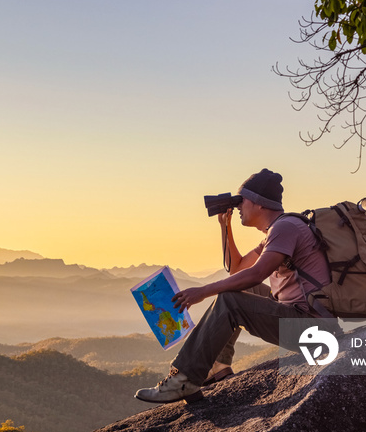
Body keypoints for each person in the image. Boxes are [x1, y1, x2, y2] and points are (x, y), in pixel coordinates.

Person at [135, 168, 332, 404]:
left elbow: (257, 274)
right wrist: (225, 226)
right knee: (234, 290)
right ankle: (217, 366)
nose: (238, 206)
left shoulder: (285, 228)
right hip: (306, 322)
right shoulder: (277, 231)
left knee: (229, 300)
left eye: (242, 200)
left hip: (313, 331)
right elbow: (237, 269)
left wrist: (203, 291)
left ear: (259, 204)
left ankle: (183, 380)